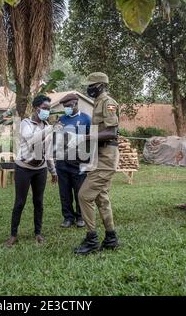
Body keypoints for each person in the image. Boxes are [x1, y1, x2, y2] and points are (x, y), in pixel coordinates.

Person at [73, 72, 121, 255]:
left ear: (100, 85)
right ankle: (111, 237)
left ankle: (91, 239)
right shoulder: (97, 103)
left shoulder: (108, 103)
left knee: (84, 196)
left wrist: (82, 137)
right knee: (101, 198)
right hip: (99, 154)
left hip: (106, 156)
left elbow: (111, 133)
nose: (89, 88)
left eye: (91, 85)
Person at [5, 95, 59, 247]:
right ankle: (13, 235)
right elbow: (31, 140)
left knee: (38, 201)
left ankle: (38, 233)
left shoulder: (46, 125)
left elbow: (48, 151)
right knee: (20, 202)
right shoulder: (25, 123)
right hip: (24, 168)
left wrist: (53, 171)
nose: (47, 112)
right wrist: (49, 129)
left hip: (40, 169)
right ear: (36, 108)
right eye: (45, 109)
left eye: (49, 109)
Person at [56, 93, 91, 228]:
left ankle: (80, 217)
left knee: (79, 191)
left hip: (79, 161)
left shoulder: (86, 118)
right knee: (64, 192)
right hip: (62, 161)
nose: (67, 109)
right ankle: (68, 218)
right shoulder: (62, 119)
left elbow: (93, 137)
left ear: (76, 104)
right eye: (65, 107)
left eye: (69, 106)